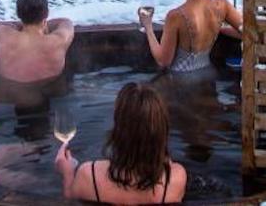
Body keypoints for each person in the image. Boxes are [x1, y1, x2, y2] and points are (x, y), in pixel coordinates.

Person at [55, 83, 186, 204]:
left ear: (119, 128)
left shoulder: (89, 175)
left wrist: (67, 173)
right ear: (162, 131)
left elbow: (70, 198)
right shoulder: (175, 178)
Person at [138, 0, 242, 72]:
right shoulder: (221, 5)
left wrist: (148, 27)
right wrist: (219, 28)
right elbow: (248, 32)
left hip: (181, 80)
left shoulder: (176, 16)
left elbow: (163, 61)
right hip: (207, 74)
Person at [0, 0, 74, 83]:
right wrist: (43, 23)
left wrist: (14, 25)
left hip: (5, 96)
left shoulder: (3, 34)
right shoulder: (59, 40)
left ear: (18, 14)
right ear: (46, 14)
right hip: (49, 95)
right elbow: (66, 22)